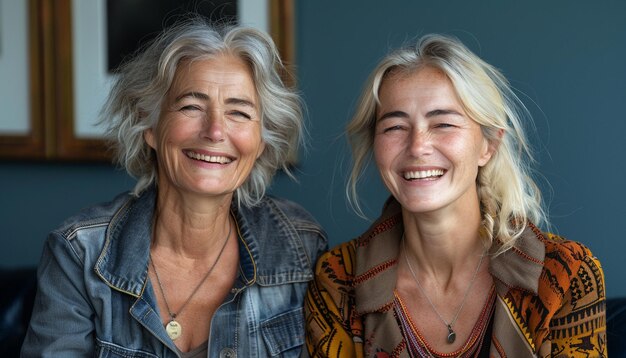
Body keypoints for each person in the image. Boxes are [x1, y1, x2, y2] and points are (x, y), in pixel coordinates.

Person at [21, 17, 327, 357]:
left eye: (239, 113)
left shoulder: (300, 245)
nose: (214, 131)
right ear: (149, 126)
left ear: (262, 141)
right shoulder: (79, 253)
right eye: (191, 106)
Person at [304, 34, 606, 357]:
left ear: (488, 145)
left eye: (443, 124)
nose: (418, 146)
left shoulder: (566, 276)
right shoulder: (337, 282)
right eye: (394, 127)